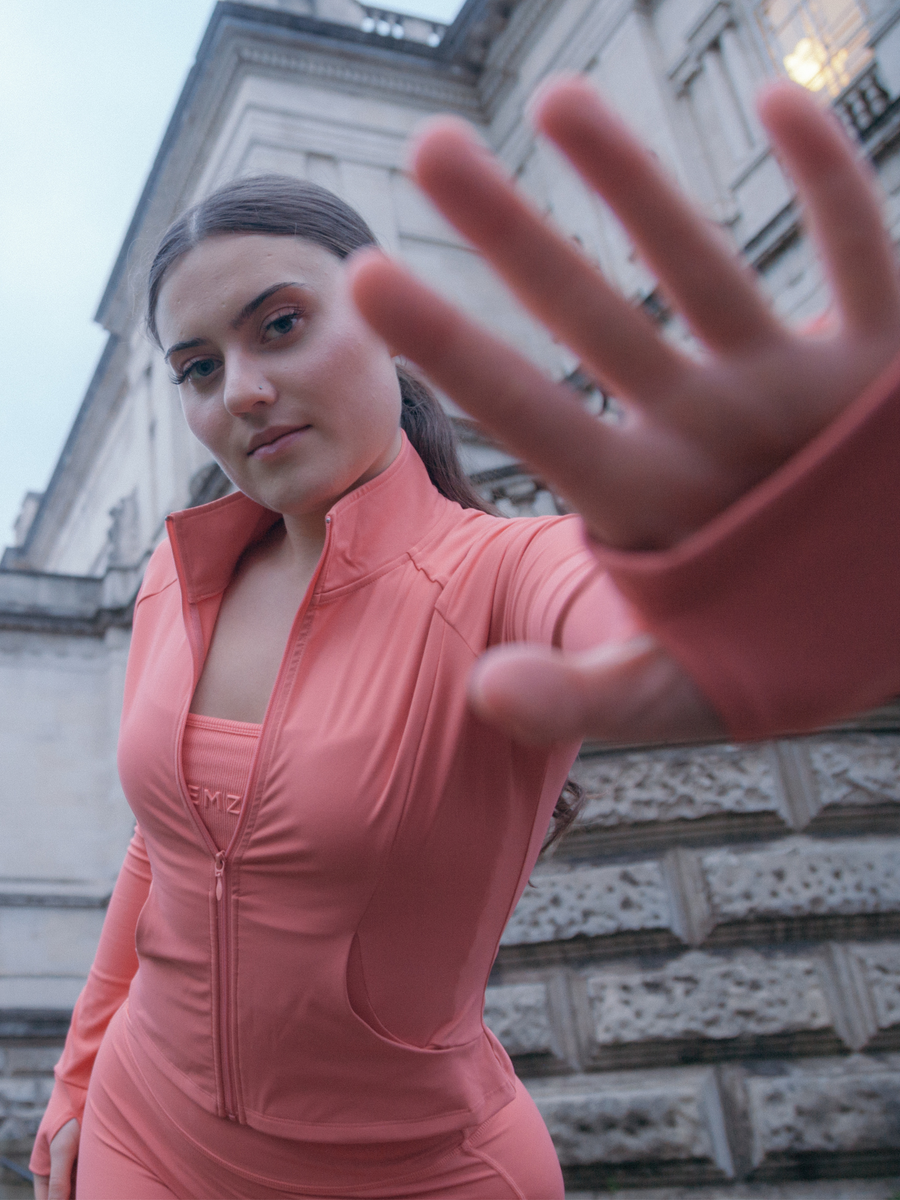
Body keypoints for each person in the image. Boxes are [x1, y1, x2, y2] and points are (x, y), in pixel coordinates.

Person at [31, 75, 900, 1199]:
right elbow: (161, 850)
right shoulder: (173, 577)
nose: (241, 391)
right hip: (144, 1142)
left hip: (419, 1174)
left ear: (388, 328)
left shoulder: (504, 570)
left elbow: (608, 593)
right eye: (199, 367)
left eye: (281, 325)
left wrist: (781, 567)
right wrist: (78, 1078)